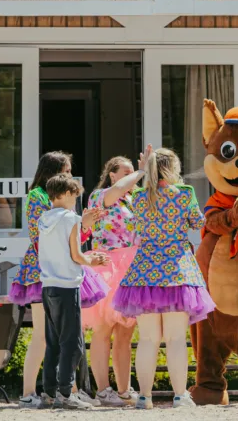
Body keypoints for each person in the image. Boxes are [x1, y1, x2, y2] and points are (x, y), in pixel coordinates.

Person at [111, 147, 215, 409]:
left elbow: (135, 226)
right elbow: (196, 222)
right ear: (173, 168)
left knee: (147, 340)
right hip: (177, 272)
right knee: (176, 339)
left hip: (144, 273)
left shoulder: (138, 196)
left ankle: (144, 397)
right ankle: (180, 395)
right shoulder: (184, 194)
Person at [11, 151, 108, 408]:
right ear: (52, 171)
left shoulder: (58, 203)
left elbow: (70, 235)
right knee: (48, 336)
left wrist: (82, 223)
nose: (68, 174)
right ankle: (30, 391)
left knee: (60, 337)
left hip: (54, 268)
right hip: (45, 270)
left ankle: (63, 390)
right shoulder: (39, 197)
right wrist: (80, 223)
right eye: (64, 170)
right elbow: (42, 236)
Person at [37, 174, 110, 409]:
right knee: (73, 343)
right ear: (67, 194)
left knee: (53, 342)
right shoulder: (70, 219)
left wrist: (82, 220)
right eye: (75, 196)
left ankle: (48, 393)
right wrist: (94, 260)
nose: (75, 201)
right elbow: (76, 255)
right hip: (67, 286)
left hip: (48, 286)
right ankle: (66, 394)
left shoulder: (44, 218)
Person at [82, 155, 145, 406]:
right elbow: (118, 190)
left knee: (125, 333)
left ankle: (123, 389)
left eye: (133, 172)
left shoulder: (133, 199)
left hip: (130, 268)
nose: (132, 177)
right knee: (103, 330)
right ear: (113, 175)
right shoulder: (101, 196)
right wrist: (141, 171)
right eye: (126, 172)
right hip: (107, 266)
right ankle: (103, 389)